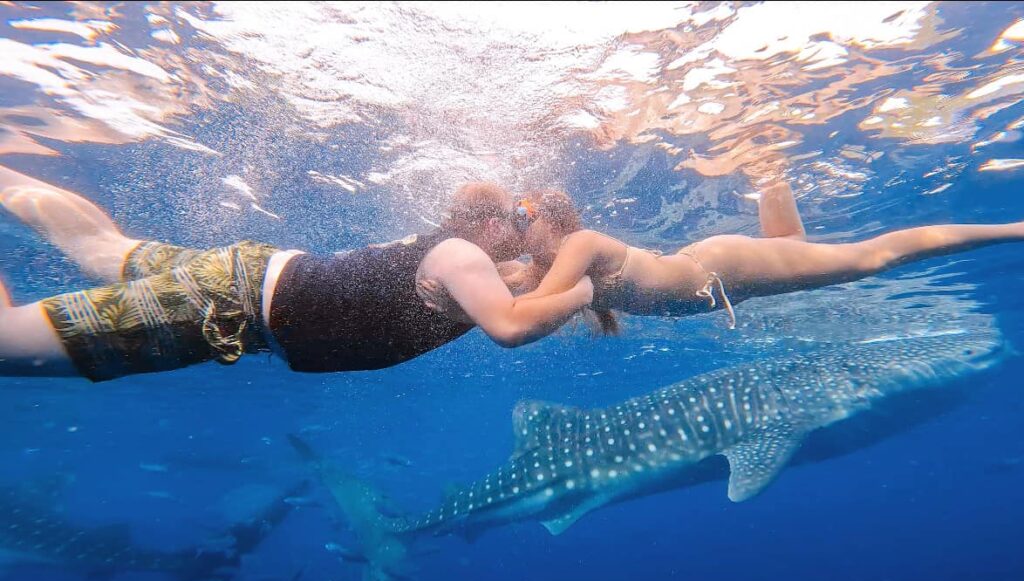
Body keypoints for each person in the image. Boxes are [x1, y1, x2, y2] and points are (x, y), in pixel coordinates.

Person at [0, 166, 593, 380]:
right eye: (526, 228)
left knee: (103, 247)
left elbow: (526, 289)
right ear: (491, 226)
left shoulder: (466, 260)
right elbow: (511, 327)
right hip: (222, 304)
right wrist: (586, 286)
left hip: (240, 280)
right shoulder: (462, 256)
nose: (536, 254)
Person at [422, 181, 1024, 331]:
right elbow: (525, 294)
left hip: (720, 268)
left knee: (871, 259)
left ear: (548, 224)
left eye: (521, 221)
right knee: (791, 250)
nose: (511, 236)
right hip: (711, 274)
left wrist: (473, 281)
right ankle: (771, 172)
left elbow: (531, 308)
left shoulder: (577, 248)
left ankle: (1011, 228)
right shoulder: (548, 265)